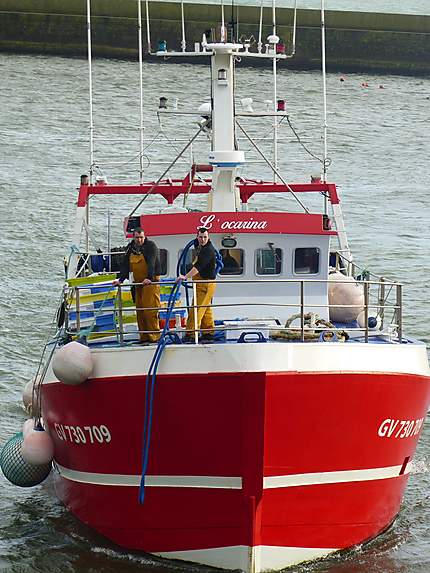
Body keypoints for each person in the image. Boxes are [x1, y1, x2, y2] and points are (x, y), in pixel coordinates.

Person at [113, 228, 161, 343]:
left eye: (141, 237)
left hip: (151, 283)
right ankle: (143, 337)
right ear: (133, 238)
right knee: (140, 310)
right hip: (138, 283)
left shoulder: (151, 246)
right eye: (137, 238)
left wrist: (149, 277)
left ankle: (154, 337)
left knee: (150, 310)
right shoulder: (131, 248)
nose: (139, 240)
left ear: (144, 237)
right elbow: (125, 265)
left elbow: (152, 262)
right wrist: (120, 279)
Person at [178, 227, 217, 341]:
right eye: (200, 237)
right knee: (206, 309)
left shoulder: (208, 250)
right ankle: (208, 332)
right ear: (197, 237)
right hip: (200, 283)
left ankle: (190, 334)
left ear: (208, 237)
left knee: (197, 309)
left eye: (205, 237)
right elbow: (196, 243)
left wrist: (185, 276)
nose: (202, 239)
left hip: (206, 283)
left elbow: (198, 267)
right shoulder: (199, 245)